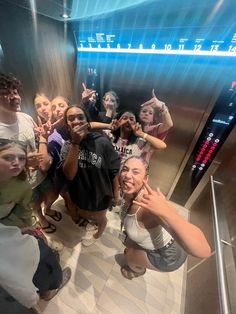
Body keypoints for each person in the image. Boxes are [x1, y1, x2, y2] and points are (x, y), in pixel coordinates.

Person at [119, 156, 211, 279]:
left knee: (129, 256)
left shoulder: (149, 206)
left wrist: (166, 211)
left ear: (146, 178)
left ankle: (137, 271)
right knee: (128, 248)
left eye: (135, 172)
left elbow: (203, 250)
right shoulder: (129, 192)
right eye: (125, 169)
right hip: (157, 244)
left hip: (168, 256)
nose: (127, 175)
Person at [60, 105, 120, 246]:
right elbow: (69, 175)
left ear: (87, 121)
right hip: (80, 194)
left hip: (101, 194)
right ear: (67, 124)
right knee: (85, 214)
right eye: (71, 118)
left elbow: (113, 169)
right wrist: (75, 143)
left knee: (100, 218)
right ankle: (88, 226)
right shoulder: (67, 146)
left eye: (80, 117)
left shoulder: (102, 141)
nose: (76, 121)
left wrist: (116, 193)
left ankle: (98, 233)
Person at [0, 223, 71, 308]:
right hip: (29, 266)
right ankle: (49, 293)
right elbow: (10, 280)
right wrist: (31, 298)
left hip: (22, 252)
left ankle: (45, 291)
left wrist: (17, 232)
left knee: (42, 280)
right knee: (52, 278)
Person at [0, 139, 34, 227]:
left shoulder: (23, 186)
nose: (17, 163)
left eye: (22, 158)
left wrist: (29, 227)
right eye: (7, 157)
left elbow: (25, 210)